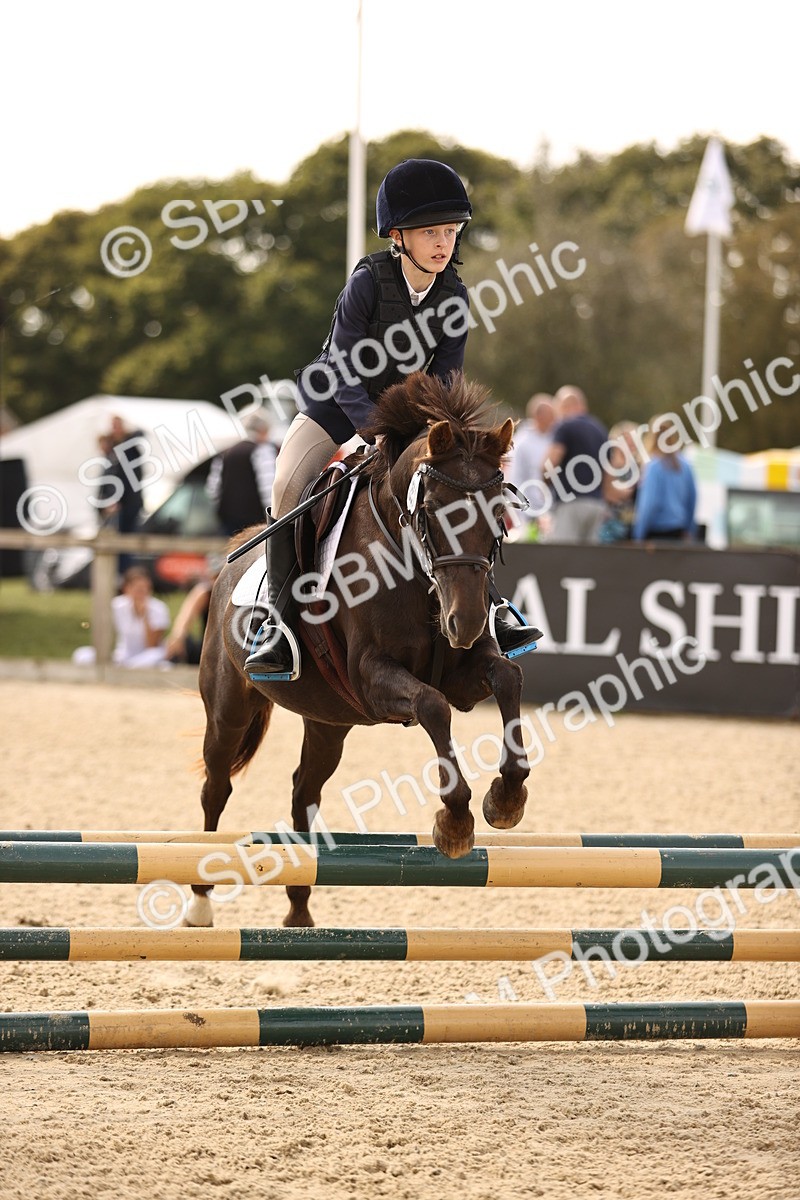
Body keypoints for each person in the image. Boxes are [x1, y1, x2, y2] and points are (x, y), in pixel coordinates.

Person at [244, 158, 541, 680]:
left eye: (450, 231)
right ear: (398, 236)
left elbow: (448, 381)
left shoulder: (454, 295)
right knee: (288, 489)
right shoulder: (367, 283)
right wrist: (371, 432)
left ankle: (493, 609)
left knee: (461, 487)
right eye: (431, 232)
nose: (444, 243)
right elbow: (342, 366)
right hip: (335, 407)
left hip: (408, 418)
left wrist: (435, 436)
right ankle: (278, 626)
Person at [542, 385, 608, 543]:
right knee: (589, 562)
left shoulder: (565, 426)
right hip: (597, 504)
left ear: (563, 406)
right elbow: (609, 472)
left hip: (570, 504)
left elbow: (550, 464)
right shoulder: (601, 430)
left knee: (563, 559)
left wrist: (545, 480)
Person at [72, 566, 170, 668]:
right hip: (123, 655)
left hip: (146, 656)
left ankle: (126, 669)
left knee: (156, 658)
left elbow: (151, 645)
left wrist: (145, 616)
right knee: (81, 654)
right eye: (138, 589)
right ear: (127, 588)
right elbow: (101, 630)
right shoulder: (117, 605)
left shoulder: (158, 608)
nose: (142, 593)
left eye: (145, 588)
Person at [205, 411, 279, 536]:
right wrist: (274, 516)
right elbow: (268, 487)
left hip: (228, 521)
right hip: (255, 522)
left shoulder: (225, 452)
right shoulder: (262, 450)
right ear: (263, 430)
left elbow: (212, 489)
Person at [632, 414, 698, 542]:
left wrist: (638, 535)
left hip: (656, 532)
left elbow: (649, 504)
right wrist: (689, 529)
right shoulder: (685, 466)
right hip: (678, 530)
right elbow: (692, 499)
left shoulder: (654, 466)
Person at [506, 392, 555, 539]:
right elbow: (514, 479)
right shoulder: (522, 443)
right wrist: (526, 511)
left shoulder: (554, 439)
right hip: (529, 514)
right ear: (539, 415)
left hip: (552, 511)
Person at [164, 556, 222, 665]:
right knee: (180, 641)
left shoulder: (238, 592)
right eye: (215, 577)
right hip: (209, 648)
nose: (218, 581)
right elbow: (185, 618)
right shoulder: (205, 592)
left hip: (230, 647)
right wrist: (177, 637)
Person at [597, 420, 643, 543]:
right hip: (609, 524)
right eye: (628, 438)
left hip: (631, 525)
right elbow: (610, 494)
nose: (632, 442)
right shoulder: (609, 464)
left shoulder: (638, 466)